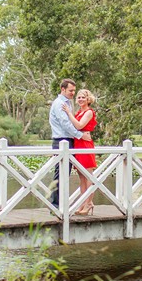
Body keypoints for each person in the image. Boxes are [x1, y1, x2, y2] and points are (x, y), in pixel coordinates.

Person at [49, 79, 91, 208]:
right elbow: (65, 124)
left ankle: (63, 204)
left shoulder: (67, 103)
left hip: (69, 141)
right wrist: (80, 135)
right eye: (70, 90)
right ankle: (55, 205)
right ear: (63, 89)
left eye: (74, 90)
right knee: (60, 174)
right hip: (61, 141)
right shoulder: (59, 104)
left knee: (65, 174)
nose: (73, 93)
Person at [63, 89, 97, 215]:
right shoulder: (78, 112)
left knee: (88, 175)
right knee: (81, 177)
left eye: (83, 97)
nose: (80, 99)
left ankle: (89, 203)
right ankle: (83, 203)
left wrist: (68, 112)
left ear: (88, 99)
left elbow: (79, 126)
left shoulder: (89, 112)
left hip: (85, 144)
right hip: (78, 143)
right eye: (79, 97)